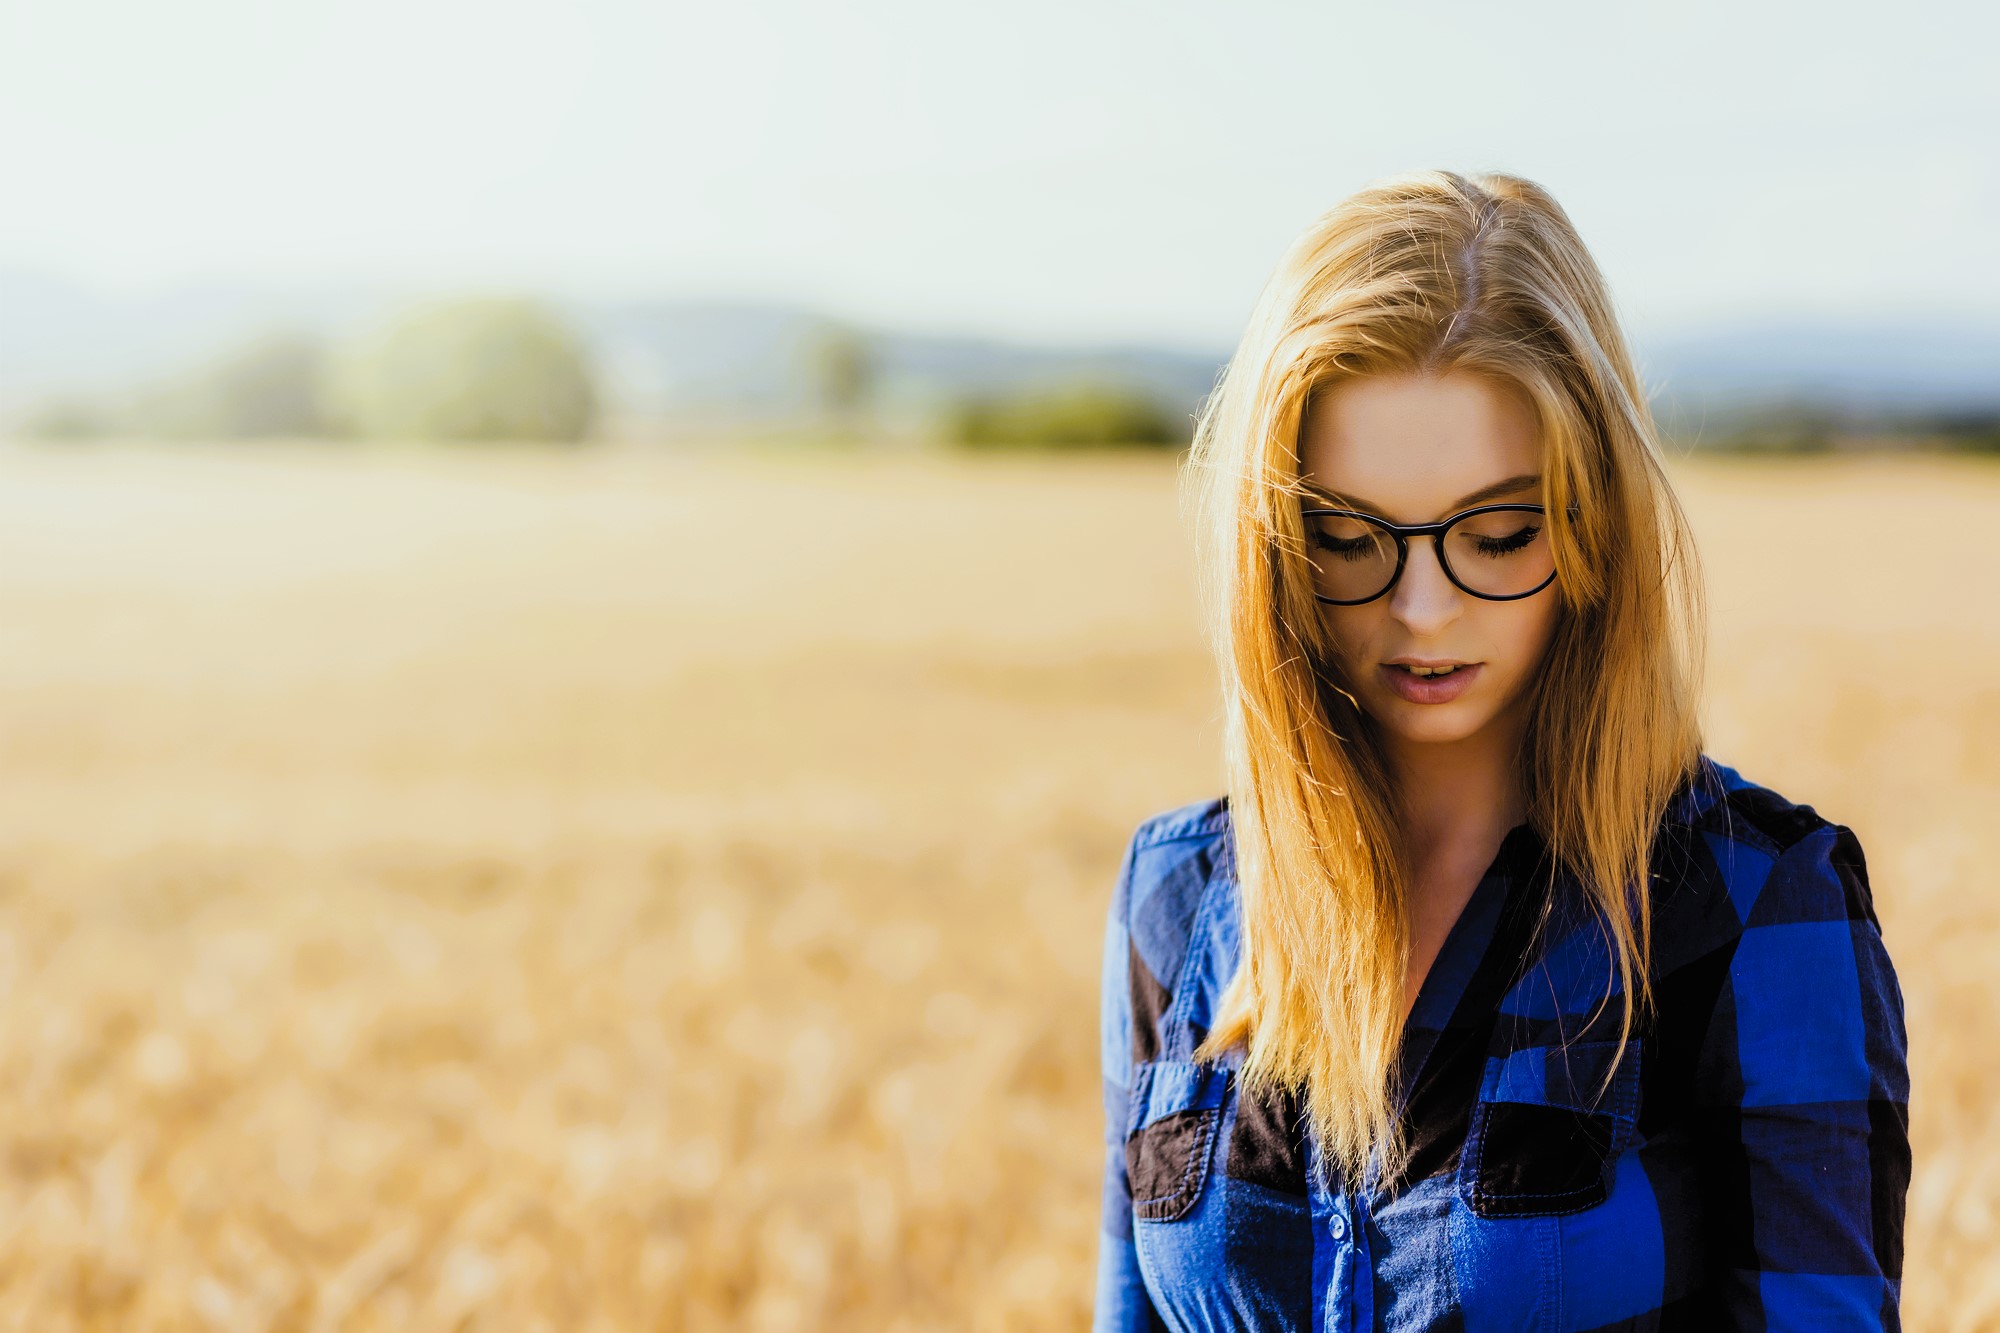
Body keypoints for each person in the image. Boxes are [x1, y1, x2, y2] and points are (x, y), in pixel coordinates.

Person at [1093, 171, 1911, 1331]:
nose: (1421, 607)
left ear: (1593, 528)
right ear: (1269, 547)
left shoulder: (1758, 909)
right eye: (1344, 536)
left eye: (1496, 532)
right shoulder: (1172, 895)